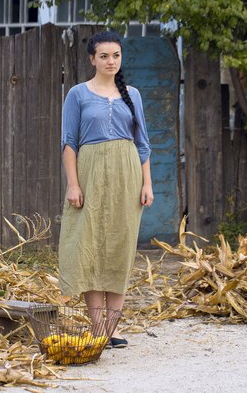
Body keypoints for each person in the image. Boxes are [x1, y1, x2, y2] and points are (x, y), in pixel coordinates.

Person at [58, 31, 153, 348]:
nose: (111, 61)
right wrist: (73, 184)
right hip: (91, 174)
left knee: (119, 248)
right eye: (104, 56)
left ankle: (111, 331)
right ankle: (98, 329)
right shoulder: (78, 94)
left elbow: (142, 145)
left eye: (116, 55)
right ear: (92, 59)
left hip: (127, 176)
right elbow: (69, 143)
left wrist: (147, 184)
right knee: (90, 247)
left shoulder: (133, 95)